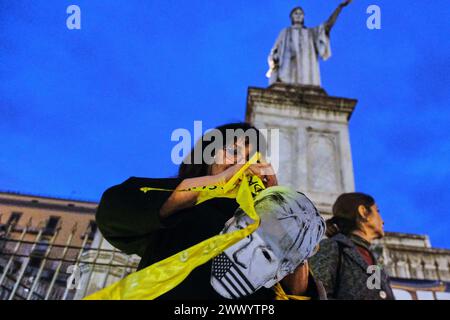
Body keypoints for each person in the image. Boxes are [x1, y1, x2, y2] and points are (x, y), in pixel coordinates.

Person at [95, 122, 326, 299]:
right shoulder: (182, 199)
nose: (242, 165)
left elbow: (296, 292)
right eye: (233, 152)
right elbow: (113, 212)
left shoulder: (266, 222)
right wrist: (214, 183)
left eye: (251, 159)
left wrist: (279, 211)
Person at [309, 192, 395, 300]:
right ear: (363, 212)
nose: (383, 221)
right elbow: (316, 294)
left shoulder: (375, 262)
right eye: (377, 211)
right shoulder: (332, 247)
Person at [266, 0, 352, 86]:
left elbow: (328, 25)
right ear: (291, 17)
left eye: (301, 14)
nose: (298, 15)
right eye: (296, 13)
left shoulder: (311, 33)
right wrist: (273, 59)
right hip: (288, 68)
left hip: (307, 71)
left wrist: (339, 7)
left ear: (303, 17)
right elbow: (275, 50)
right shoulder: (285, 32)